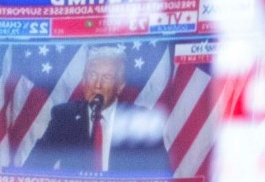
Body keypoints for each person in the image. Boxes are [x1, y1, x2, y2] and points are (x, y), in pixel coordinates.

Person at [33, 48, 169, 174]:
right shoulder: (64, 117)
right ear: (84, 80)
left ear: (120, 86)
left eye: (107, 78)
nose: (97, 85)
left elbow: (161, 175)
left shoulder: (139, 120)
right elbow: (34, 168)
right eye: (92, 75)